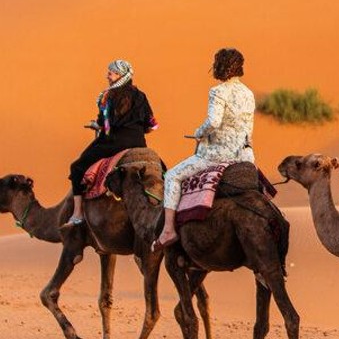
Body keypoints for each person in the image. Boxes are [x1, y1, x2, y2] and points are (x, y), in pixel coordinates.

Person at [154, 48, 255, 249]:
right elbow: (248, 128)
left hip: (216, 155)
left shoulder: (218, 91)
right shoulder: (248, 93)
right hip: (245, 156)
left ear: (220, 66)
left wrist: (200, 132)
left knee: (172, 176)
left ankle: (168, 230)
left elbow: (213, 122)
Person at [64, 59, 157, 226]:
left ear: (121, 75)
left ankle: (78, 214)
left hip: (115, 141)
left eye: (111, 72)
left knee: (76, 167)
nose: (108, 75)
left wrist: (97, 125)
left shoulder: (109, 95)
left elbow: (106, 125)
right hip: (139, 142)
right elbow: (151, 126)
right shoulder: (141, 95)